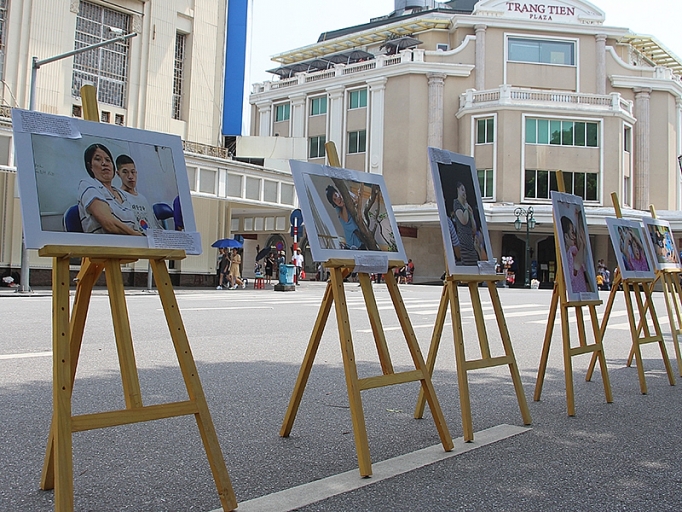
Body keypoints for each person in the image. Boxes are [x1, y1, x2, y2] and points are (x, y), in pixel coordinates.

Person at [77, 143, 142, 236]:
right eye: (98, 159)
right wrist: (137, 236)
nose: (104, 163)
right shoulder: (88, 184)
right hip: (106, 247)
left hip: (131, 245)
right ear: (90, 166)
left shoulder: (121, 194)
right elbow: (109, 224)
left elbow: (135, 225)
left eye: (108, 160)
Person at [115, 154, 162, 233]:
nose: (130, 176)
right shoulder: (118, 195)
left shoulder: (143, 199)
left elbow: (154, 225)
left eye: (133, 172)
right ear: (118, 173)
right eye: (125, 172)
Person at [325, 185, 366, 250]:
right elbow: (345, 219)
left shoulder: (346, 197)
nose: (337, 199)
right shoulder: (338, 209)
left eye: (336, 195)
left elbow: (357, 199)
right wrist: (343, 206)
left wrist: (348, 193)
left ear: (338, 193)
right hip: (351, 241)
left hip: (360, 235)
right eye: (334, 200)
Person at [560, 215, 592, 293]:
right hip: (576, 291)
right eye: (572, 232)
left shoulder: (574, 250)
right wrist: (582, 245)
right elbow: (576, 265)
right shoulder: (569, 253)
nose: (574, 236)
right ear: (566, 236)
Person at [452, 182, 478, 266]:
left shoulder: (466, 206)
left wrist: (471, 214)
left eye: (465, 191)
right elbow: (464, 221)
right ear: (458, 190)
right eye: (462, 190)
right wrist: (466, 208)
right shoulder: (456, 204)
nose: (464, 193)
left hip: (470, 241)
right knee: (466, 263)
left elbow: (474, 228)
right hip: (463, 241)